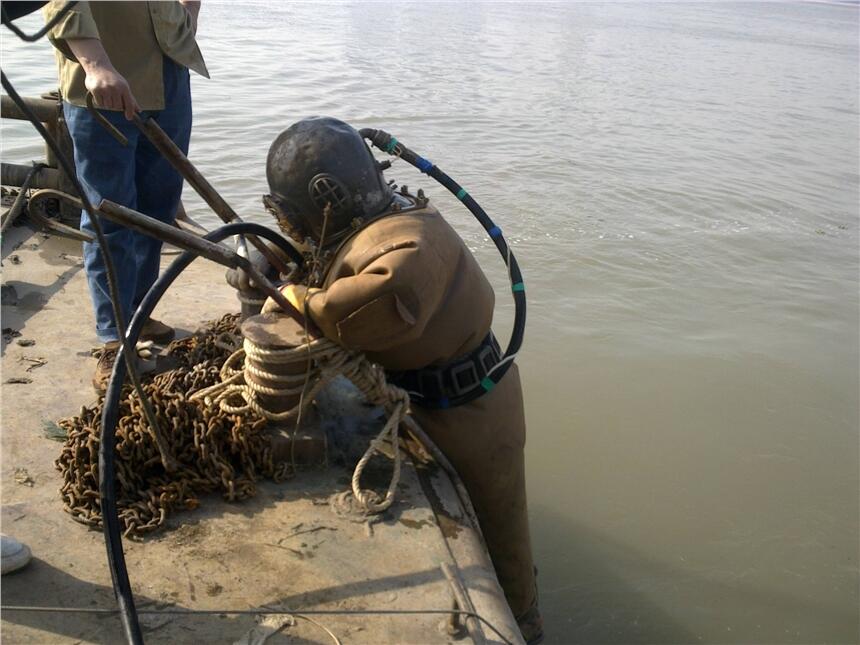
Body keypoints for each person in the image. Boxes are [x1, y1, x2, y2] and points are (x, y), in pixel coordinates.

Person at [262, 117, 543, 643]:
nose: (290, 228)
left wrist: (294, 295)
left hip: (469, 416)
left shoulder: (408, 253)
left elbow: (348, 308)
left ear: (327, 195)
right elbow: (338, 262)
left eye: (292, 217)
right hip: (440, 393)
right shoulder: (386, 216)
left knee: (502, 535)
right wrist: (288, 266)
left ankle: (525, 622)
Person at [43, 1, 208, 391]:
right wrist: (95, 64)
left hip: (169, 67)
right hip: (104, 77)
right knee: (112, 215)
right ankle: (114, 337)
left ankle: (137, 310)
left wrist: (188, 14)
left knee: (159, 206)